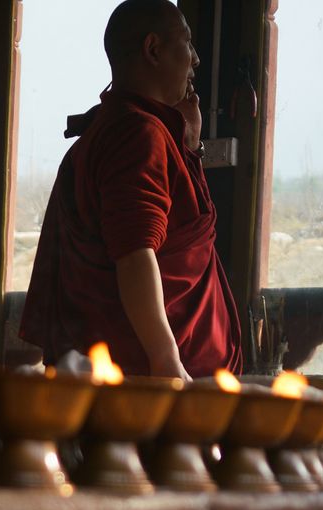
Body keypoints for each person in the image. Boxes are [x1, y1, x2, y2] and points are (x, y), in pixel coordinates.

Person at [19, 0, 241, 380]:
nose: (196, 60)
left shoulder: (127, 129)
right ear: (153, 49)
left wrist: (188, 146)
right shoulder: (138, 133)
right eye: (187, 43)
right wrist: (167, 361)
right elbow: (135, 252)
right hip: (150, 389)